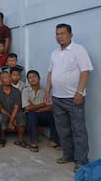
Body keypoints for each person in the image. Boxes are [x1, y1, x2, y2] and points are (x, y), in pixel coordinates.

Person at [44, 23, 93, 172]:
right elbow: (51, 73)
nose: (59, 37)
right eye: (57, 34)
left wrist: (79, 92)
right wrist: (47, 91)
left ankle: (81, 161)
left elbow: (85, 72)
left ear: (70, 35)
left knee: (79, 130)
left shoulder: (79, 50)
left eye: (62, 34)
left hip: (74, 98)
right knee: (63, 129)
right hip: (57, 98)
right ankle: (68, 155)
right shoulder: (54, 53)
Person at [23, 70, 59, 153]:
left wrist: (36, 108)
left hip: (43, 114)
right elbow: (27, 108)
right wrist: (43, 104)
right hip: (32, 115)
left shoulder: (45, 91)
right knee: (31, 115)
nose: (32, 79)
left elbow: (50, 106)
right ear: (28, 80)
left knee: (56, 115)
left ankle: (53, 140)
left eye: (34, 77)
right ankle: (33, 143)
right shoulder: (25, 91)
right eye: (30, 78)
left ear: (39, 78)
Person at [0, 71, 26, 148]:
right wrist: (11, 120)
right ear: (1, 80)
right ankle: (2, 138)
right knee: (2, 117)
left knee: (21, 116)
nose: (8, 79)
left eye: (9, 77)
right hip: (4, 112)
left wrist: (11, 121)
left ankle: (20, 139)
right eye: (5, 77)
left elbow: (17, 107)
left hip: (15, 111)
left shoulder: (16, 91)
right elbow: (0, 108)